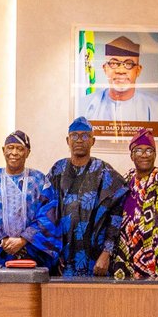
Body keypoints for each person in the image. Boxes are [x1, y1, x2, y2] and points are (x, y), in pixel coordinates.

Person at [0, 130, 59, 267]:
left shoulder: (39, 180)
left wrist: (24, 239)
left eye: (20, 148)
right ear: (3, 150)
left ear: (28, 152)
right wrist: (2, 240)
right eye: (10, 147)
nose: (14, 153)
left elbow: (48, 216)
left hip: (31, 254)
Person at [48, 117, 125, 277]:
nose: (79, 140)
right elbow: (47, 212)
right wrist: (53, 252)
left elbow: (116, 216)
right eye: (74, 135)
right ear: (67, 140)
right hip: (62, 257)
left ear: (93, 141)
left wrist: (106, 253)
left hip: (96, 258)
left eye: (85, 136)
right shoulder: (57, 170)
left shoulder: (105, 172)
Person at [112, 130, 158, 278]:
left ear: (155, 154)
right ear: (131, 155)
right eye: (138, 150)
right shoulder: (126, 181)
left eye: (149, 150)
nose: (144, 155)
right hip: (128, 260)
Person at [78, 34, 158, 126]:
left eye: (129, 64)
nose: (121, 71)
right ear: (105, 69)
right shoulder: (85, 105)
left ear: (138, 70)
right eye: (114, 63)